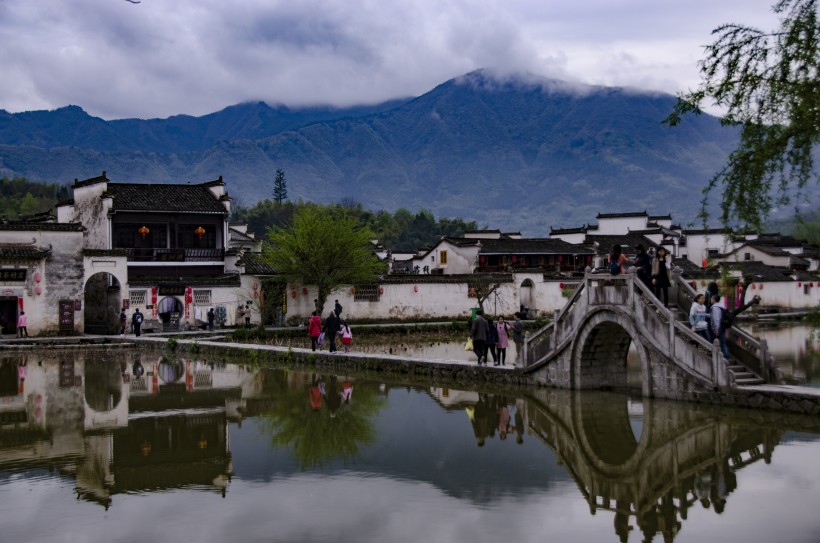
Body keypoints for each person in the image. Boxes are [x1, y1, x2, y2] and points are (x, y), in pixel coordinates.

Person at [710, 294, 730, 360]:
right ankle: (726, 355)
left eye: (711, 298)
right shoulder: (722, 306)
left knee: (719, 342)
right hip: (723, 325)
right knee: (723, 342)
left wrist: (716, 329)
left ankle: (725, 356)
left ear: (714, 299)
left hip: (718, 327)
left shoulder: (715, 308)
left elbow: (716, 319)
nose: (710, 300)